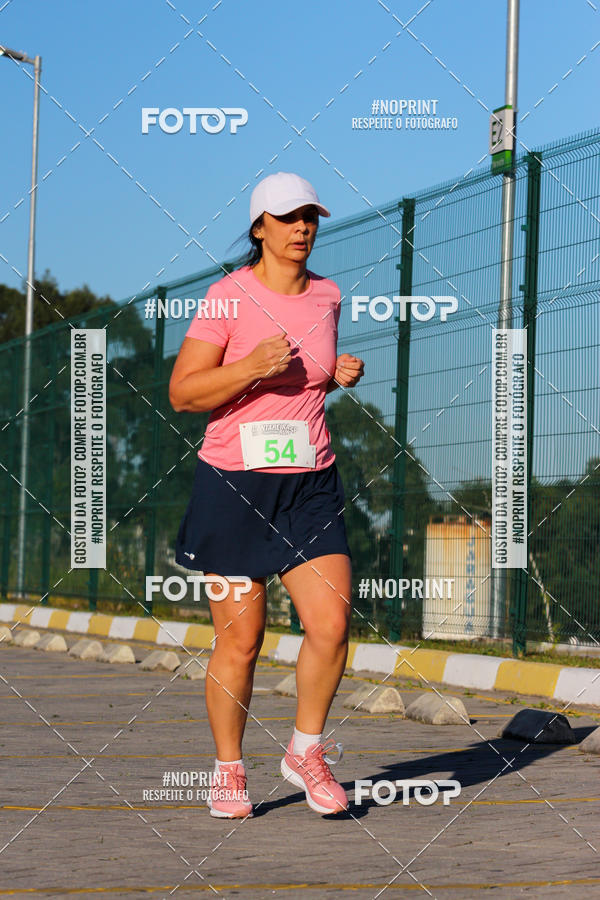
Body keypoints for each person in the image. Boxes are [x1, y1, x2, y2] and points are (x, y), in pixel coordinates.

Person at [169, 171, 364, 818]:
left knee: (332, 623)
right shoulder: (227, 297)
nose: (303, 226)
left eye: (310, 215)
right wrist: (250, 365)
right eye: (287, 217)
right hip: (235, 486)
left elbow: (303, 391)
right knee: (241, 640)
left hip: (310, 484)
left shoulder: (329, 296)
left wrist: (334, 378)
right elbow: (183, 393)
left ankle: (306, 751)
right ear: (260, 229)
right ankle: (228, 770)